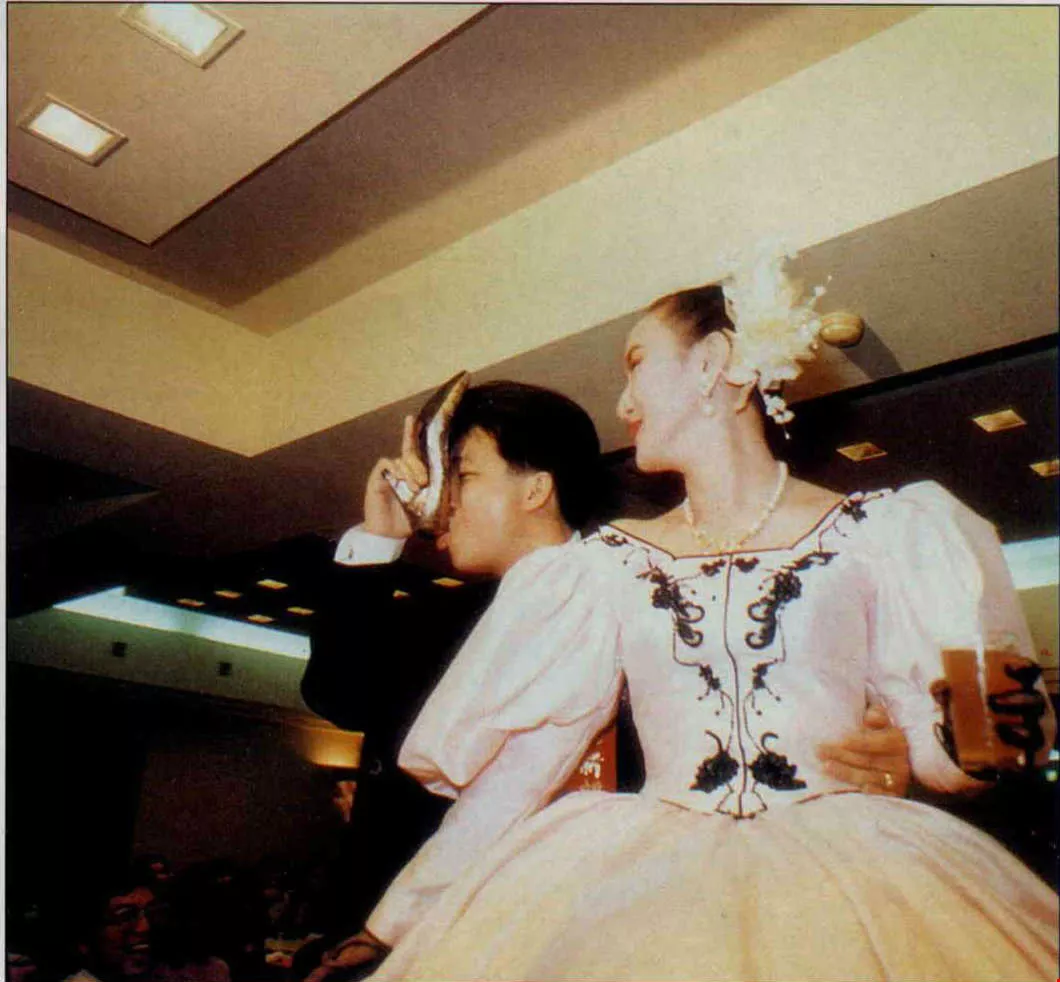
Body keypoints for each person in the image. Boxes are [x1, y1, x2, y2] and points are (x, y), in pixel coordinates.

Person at [338, 269, 1055, 981]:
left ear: (713, 363)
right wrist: (388, 926)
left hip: (852, 880)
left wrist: (946, 743)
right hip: (652, 887)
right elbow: (517, 777)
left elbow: (984, 745)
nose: (622, 402)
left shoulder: (887, 532)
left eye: (636, 365)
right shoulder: (606, 566)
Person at [304, 379, 916, 979]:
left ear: (536, 488)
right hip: (441, 944)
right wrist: (378, 539)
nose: (442, 502)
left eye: (463, 477)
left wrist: (891, 754)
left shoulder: (660, 596)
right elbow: (340, 694)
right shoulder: (433, 626)